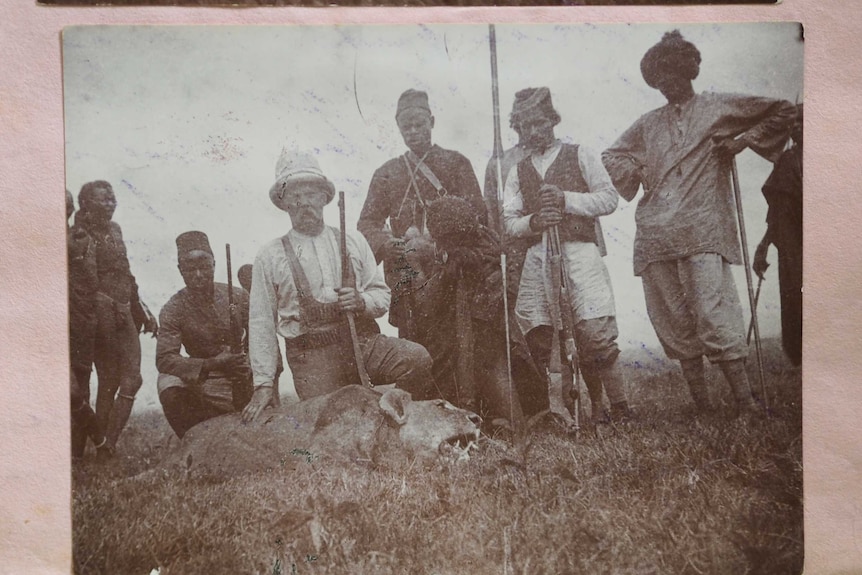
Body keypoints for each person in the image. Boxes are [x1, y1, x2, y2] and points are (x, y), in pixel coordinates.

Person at [602, 30, 796, 415]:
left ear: (688, 70)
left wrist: (743, 140)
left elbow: (784, 110)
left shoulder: (716, 107)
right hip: (655, 236)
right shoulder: (647, 124)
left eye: (673, 75)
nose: (666, 86)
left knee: (713, 313)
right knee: (674, 321)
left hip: (703, 229)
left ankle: (746, 401)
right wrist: (638, 170)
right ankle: (703, 406)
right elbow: (611, 156)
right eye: (659, 80)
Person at [242, 150, 434, 423]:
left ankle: (395, 421)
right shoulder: (270, 256)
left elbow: (381, 293)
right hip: (311, 358)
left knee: (418, 359)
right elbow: (261, 323)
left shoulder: (352, 241)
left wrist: (361, 302)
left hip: (361, 341)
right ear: (284, 203)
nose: (304, 203)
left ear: (324, 197)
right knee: (333, 423)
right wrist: (262, 385)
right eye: (295, 196)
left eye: (311, 194)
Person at [501, 87, 632, 423]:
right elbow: (509, 220)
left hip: (580, 254)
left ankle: (617, 407)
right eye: (525, 125)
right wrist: (534, 221)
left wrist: (566, 200)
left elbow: (608, 199)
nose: (534, 131)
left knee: (593, 331)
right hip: (539, 258)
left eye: (540, 123)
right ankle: (563, 412)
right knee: (542, 332)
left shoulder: (580, 154)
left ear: (552, 120)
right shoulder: (518, 170)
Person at [357, 89, 485, 398]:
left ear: (432, 121)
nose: (413, 131)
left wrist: (441, 241)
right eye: (406, 126)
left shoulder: (456, 163)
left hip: (451, 267)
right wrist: (389, 243)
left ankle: (462, 406)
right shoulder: (386, 173)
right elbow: (367, 223)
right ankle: (425, 407)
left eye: (419, 123)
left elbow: (478, 215)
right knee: (415, 340)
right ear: (398, 127)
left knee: (459, 339)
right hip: (407, 271)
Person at [75, 180, 158, 455]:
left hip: (123, 308)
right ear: (86, 203)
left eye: (112, 199)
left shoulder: (115, 230)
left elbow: (125, 272)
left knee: (132, 379)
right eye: (103, 199)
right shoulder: (79, 235)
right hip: (100, 312)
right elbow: (85, 281)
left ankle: (107, 442)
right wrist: (103, 308)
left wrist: (140, 308)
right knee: (109, 379)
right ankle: (104, 446)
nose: (110, 203)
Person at [156, 231, 253, 438]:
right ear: (180, 270)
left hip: (244, 374)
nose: (198, 274)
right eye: (190, 269)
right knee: (167, 384)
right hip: (205, 379)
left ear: (214, 264)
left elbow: (264, 340)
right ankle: (196, 440)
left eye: (204, 266)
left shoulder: (239, 296)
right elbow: (165, 359)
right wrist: (212, 363)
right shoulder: (173, 308)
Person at [754, 104, 803, 366]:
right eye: (792, 123)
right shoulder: (788, 160)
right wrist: (763, 246)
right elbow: (778, 213)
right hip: (794, 247)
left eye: (802, 122)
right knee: (796, 300)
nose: (795, 128)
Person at [66, 189, 109, 460]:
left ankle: (77, 456)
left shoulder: (79, 239)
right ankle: (100, 438)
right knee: (69, 390)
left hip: (78, 322)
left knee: (79, 387)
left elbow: (91, 282)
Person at [237, 262, 282, 407]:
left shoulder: (255, 300)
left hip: (265, 356)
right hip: (261, 356)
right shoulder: (245, 302)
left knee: (270, 397)